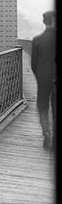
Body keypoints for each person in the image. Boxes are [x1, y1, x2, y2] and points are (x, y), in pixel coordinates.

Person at [31, 10, 56, 149]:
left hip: (43, 78)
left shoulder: (36, 40)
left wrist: (40, 76)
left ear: (43, 22)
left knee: (43, 107)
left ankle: (46, 133)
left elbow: (33, 64)